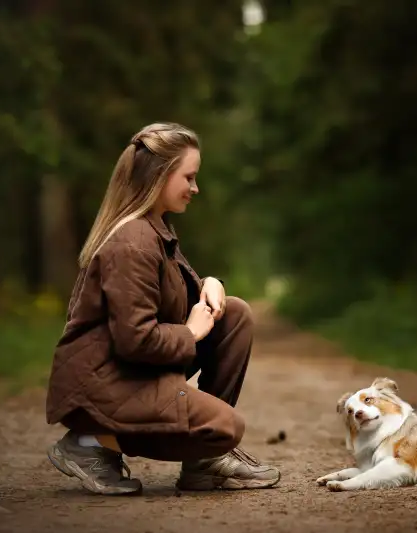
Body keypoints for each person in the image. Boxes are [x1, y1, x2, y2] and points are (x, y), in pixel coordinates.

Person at [44, 122, 280, 495]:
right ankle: (90, 442)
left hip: (130, 375)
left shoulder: (154, 229)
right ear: (161, 175)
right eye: (189, 177)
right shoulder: (133, 241)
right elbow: (134, 340)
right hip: (103, 386)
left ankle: (202, 464)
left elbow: (172, 298)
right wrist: (189, 334)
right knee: (223, 428)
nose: (195, 188)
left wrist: (210, 285)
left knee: (233, 315)